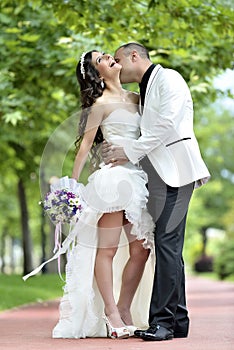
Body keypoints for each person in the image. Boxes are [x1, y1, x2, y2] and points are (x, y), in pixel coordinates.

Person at [27, 50, 155, 339]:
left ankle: (124, 308)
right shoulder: (99, 104)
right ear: (98, 74)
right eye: (101, 59)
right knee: (107, 250)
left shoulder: (136, 98)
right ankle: (111, 313)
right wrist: (70, 188)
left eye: (106, 53)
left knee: (140, 250)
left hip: (138, 179)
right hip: (112, 181)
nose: (109, 56)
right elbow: (84, 147)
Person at [102, 42, 211, 341]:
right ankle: (178, 320)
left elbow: (165, 124)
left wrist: (128, 150)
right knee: (168, 247)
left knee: (165, 244)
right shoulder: (146, 89)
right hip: (160, 177)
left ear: (134, 56)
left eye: (119, 59)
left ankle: (162, 323)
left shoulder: (169, 78)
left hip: (177, 172)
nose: (117, 66)